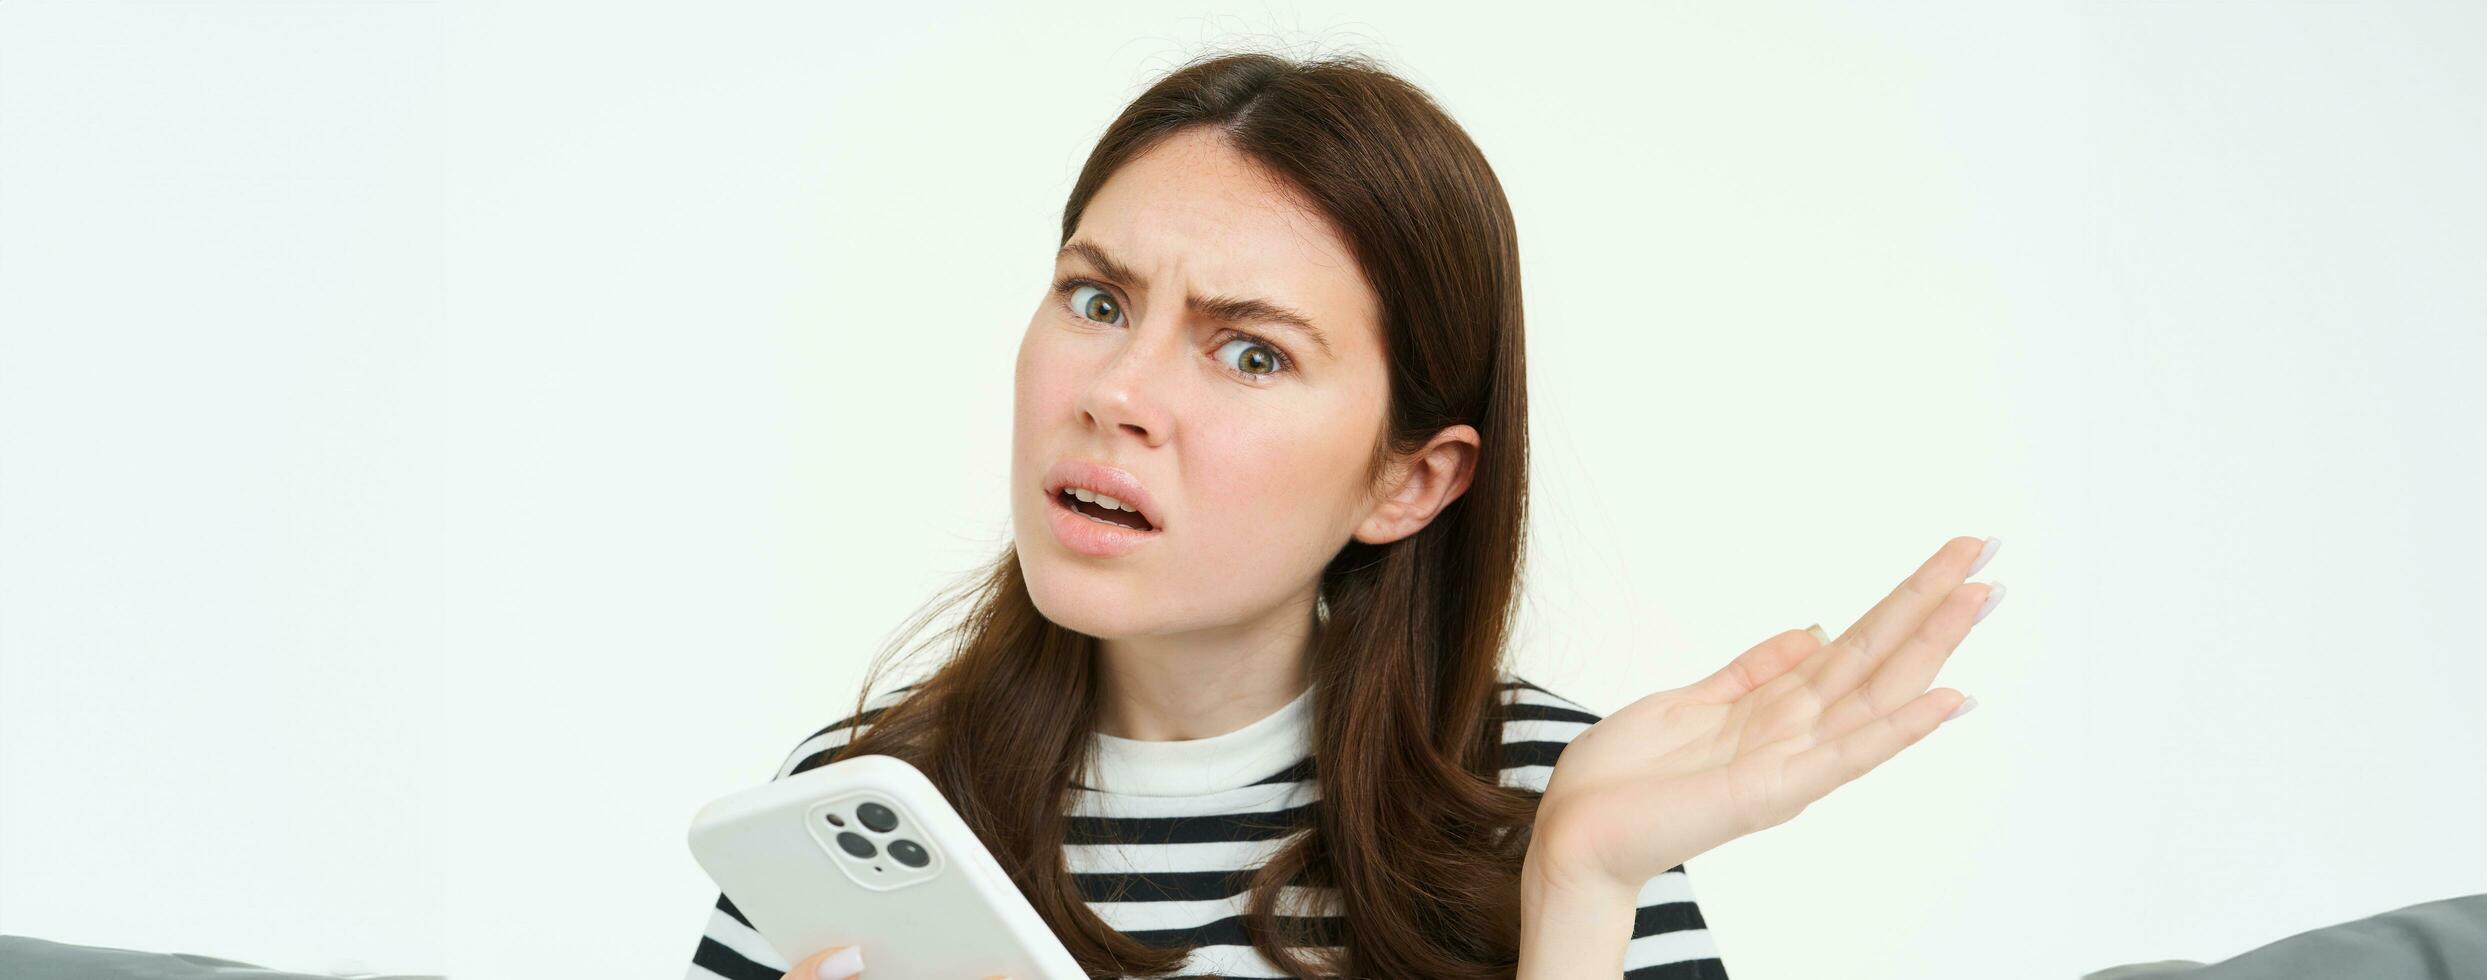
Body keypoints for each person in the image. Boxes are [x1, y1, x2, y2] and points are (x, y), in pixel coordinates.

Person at [687, 47, 2004, 980]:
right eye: (1097, 299)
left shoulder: (1554, 805)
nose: (1120, 393)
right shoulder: (862, 814)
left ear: (1409, 480)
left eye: (1250, 352)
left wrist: (1583, 895)